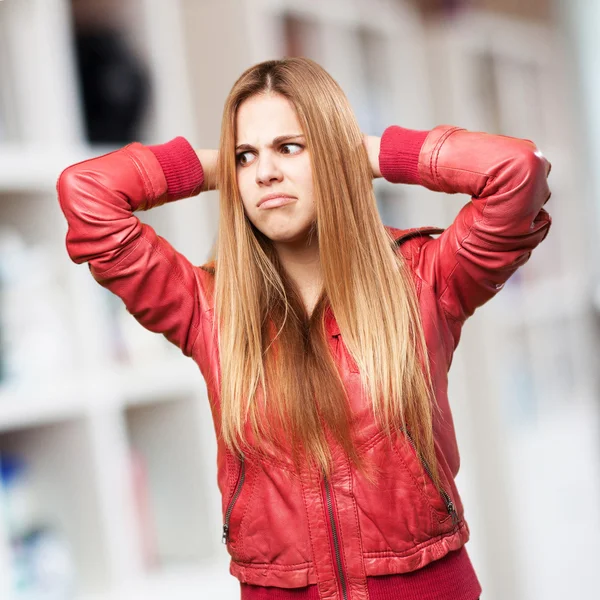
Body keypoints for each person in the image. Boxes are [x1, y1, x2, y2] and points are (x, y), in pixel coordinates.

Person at [57, 57, 551, 600]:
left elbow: (515, 171)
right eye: (248, 156)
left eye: (290, 147)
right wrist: (219, 168)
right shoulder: (207, 306)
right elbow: (86, 192)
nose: (265, 172)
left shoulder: (424, 279)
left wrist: (368, 154)